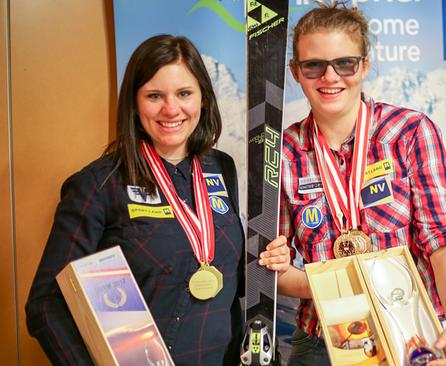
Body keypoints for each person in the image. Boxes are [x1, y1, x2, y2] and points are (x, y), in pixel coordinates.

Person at [25, 34, 289, 366]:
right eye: (154, 96)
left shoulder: (220, 167)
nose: (171, 109)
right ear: (134, 104)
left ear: (203, 99)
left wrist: (266, 259)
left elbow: (224, 269)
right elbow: (46, 305)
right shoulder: (99, 184)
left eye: (184, 93)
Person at [277, 2, 446, 366]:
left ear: (364, 65)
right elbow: (275, 271)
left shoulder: (410, 132)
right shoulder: (283, 151)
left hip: (414, 334)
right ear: (295, 71)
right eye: (313, 65)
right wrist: (342, 283)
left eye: (345, 63)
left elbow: (444, 239)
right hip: (322, 344)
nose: (330, 77)